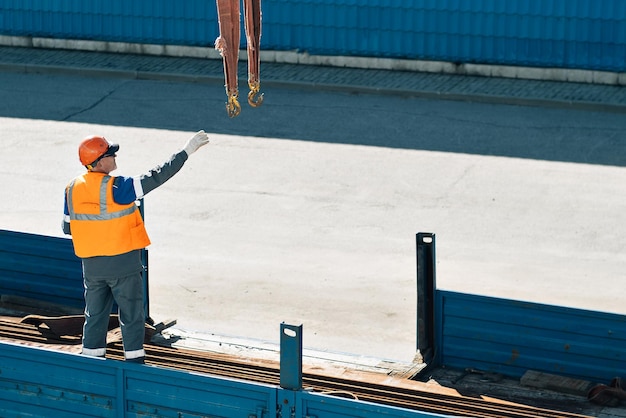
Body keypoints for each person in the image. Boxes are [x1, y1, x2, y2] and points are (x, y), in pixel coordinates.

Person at [62, 131, 210, 363]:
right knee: (131, 315)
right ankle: (134, 362)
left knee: (95, 315)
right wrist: (186, 152)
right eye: (111, 154)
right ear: (99, 162)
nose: (115, 156)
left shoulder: (71, 188)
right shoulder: (117, 188)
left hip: (92, 267)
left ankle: (91, 361)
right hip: (123, 264)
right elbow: (157, 176)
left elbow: (67, 227)